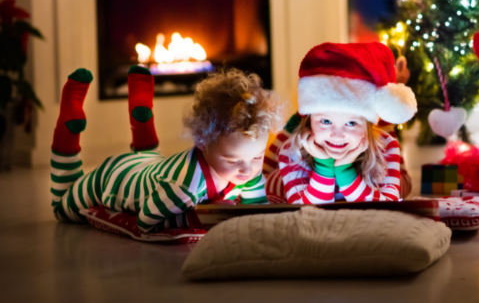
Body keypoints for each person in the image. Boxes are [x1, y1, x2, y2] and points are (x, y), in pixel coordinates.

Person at [50, 66, 284, 232]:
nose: (248, 170)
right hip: (114, 178)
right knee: (62, 206)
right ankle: (66, 131)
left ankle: (142, 114)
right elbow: (145, 220)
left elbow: (257, 210)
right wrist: (199, 216)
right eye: (233, 161)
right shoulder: (185, 187)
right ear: (202, 142)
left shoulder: (248, 166)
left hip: (151, 164)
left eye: (257, 156)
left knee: (152, 157)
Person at [267, 42, 417, 204]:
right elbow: (305, 215)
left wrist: (345, 172)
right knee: (273, 180)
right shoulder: (291, 152)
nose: (337, 135)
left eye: (351, 123)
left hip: (375, 146)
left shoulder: (387, 146)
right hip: (282, 182)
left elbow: (388, 209)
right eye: (326, 121)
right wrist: (323, 169)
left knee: (402, 183)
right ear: (309, 119)